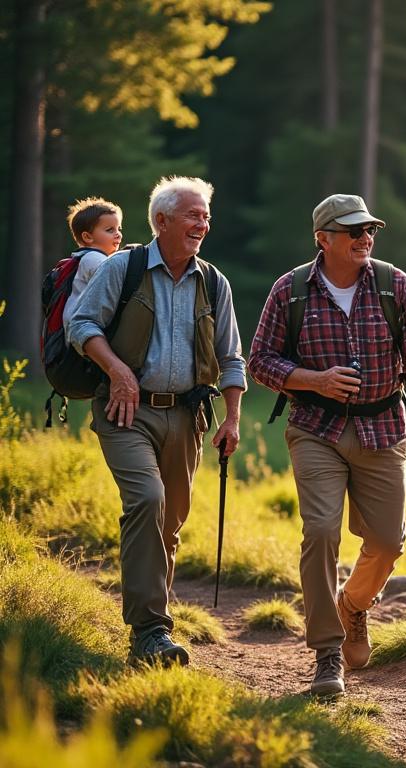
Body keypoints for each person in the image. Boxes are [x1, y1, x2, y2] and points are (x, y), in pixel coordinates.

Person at [248, 194, 406, 696]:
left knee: (387, 543)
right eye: (353, 231)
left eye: (369, 231)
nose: (365, 238)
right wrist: (311, 380)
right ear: (323, 239)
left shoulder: (393, 284)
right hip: (315, 428)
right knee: (320, 531)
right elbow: (260, 360)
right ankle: (326, 653)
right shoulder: (290, 290)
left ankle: (354, 605)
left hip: (383, 428)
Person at [67, 176, 246, 665]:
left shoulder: (214, 281)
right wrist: (118, 370)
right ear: (161, 221)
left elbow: (231, 356)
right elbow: (80, 325)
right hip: (125, 409)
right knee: (147, 500)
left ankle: (152, 626)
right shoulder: (122, 268)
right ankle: (149, 632)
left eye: (206, 216)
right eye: (193, 215)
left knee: (169, 523)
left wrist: (231, 418)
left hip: (187, 416)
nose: (202, 224)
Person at [62, 197, 124, 328]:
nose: (118, 234)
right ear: (88, 237)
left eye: (119, 228)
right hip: (84, 329)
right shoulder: (94, 259)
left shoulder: (84, 258)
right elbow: (117, 283)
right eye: (110, 230)